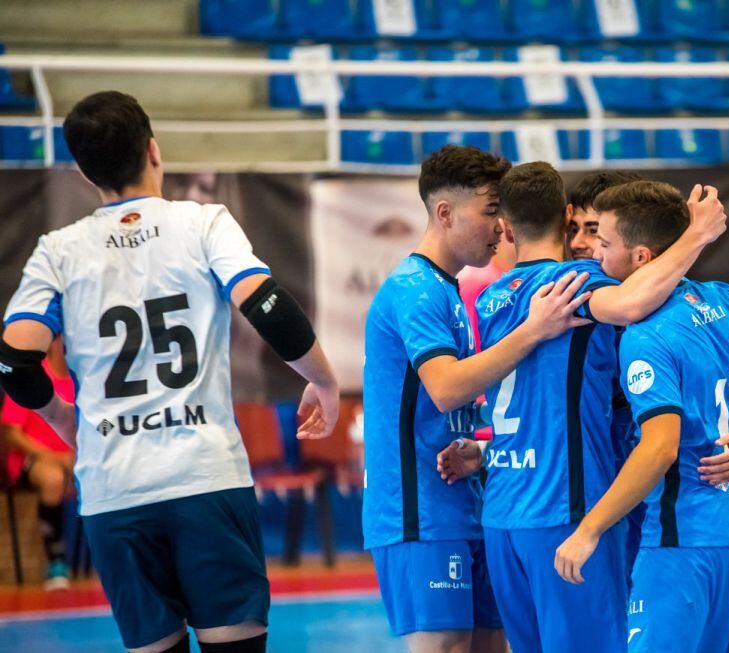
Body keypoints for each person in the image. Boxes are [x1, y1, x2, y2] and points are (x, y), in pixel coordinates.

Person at [0, 91, 340, 653]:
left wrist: (64, 420)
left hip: (114, 492)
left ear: (84, 171)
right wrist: (324, 381)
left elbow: (14, 361)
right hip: (204, 479)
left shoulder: (57, 251)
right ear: (154, 150)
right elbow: (267, 305)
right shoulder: (202, 223)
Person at [438, 162, 727, 653]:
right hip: (563, 507)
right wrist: (696, 235)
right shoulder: (574, 281)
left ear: (505, 227)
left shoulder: (489, 298)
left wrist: (485, 454)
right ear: (568, 215)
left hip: (504, 511)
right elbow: (632, 303)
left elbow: (537, 401)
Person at [553, 180, 729, 653]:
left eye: (604, 241)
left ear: (640, 258)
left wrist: (589, 529)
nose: (592, 251)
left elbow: (659, 447)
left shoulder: (645, 336)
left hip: (684, 534)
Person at [362, 146, 591, 653]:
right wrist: (534, 330)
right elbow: (445, 388)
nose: (501, 225)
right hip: (418, 511)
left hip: (469, 502)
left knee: (493, 644)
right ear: (445, 213)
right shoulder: (414, 290)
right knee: (445, 644)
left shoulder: (451, 291)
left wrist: (483, 453)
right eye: (491, 211)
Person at [565, 170, 647, 586]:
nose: (579, 242)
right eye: (573, 228)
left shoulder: (675, 308)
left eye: (594, 231)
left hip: (657, 490)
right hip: (590, 484)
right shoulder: (563, 303)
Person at [1, 336, 75, 589]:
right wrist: (53, 457)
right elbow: (12, 433)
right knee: (53, 478)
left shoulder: (83, 379)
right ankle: (56, 563)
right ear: (53, 344)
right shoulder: (35, 378)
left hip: (73, 460)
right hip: (32, 459)